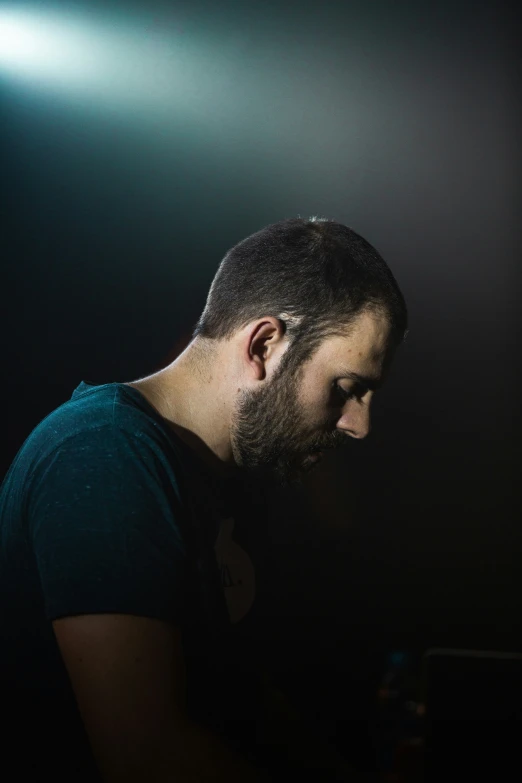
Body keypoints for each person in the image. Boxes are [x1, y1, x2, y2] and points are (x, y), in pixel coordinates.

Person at [0, 216, 408, 782]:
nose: (359, 424)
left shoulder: (214, 483)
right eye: (346, 387)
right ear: (264, 344)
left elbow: (241, 702)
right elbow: (146, 757)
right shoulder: (104, 453)